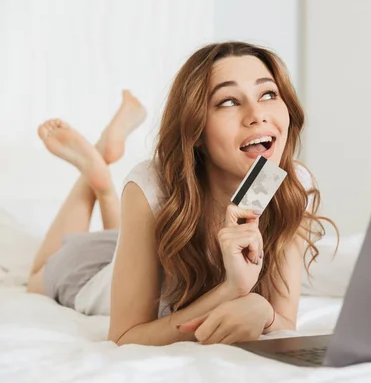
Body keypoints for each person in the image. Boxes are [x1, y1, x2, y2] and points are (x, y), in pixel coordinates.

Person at [26, 41, 337, 347]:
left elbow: (283, 320)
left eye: (268, 93)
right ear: (196, 130)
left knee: (123, 236)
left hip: (142, 242)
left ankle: (103, 178)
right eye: (228, 101)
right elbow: (124, 337)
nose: (257, 114)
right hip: (98, 270)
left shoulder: (291, 185)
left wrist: (264, 312)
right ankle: (95, 174)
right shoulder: (151, 186)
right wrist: (231, 290)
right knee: (38, 277)